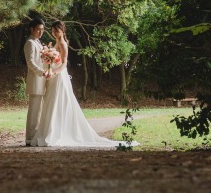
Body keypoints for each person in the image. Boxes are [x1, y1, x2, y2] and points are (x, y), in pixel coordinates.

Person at [30, 20, 133, 148]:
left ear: (62, 30)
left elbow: (63, 64)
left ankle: (55, 132)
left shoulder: (62, 43)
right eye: (52, 30)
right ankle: (49, 131)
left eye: (56, 30)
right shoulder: (56, 42)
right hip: (53, 77)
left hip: (59, 76)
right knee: (51, 102)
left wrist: (54, 72)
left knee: (56, 101)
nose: (54, 33)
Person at [23, 18, 47, 146]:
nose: (40, 32)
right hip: (35, 80)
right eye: (38, 29)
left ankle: (35, 137)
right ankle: (30, 138)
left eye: (42, 29)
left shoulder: (37, 42)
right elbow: (30, 62)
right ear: (31, 29)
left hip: (41, 80)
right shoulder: (30, 43)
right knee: (34, 111)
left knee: (39, 111)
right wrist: (42, 72)